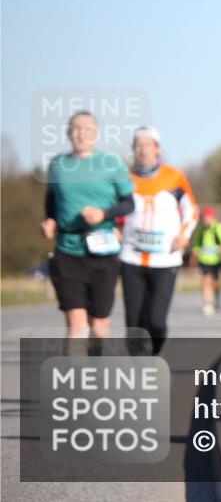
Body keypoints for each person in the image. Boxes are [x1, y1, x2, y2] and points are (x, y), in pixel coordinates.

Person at [40, 111, 135, 354]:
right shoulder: (57, 165)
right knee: (76, 323)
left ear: (97, 134)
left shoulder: (111, 163)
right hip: (67, 250)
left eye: (88, 128)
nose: (81, 133)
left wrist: (104, 213)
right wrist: (50, 221)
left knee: (100, 324)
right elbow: (51, 201)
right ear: (68, 133)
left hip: (103, 251)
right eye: (76, 128)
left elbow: (129, 204)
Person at [119, 126, 199, 355]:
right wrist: (114, 229)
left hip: (165, 259)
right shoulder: (125, 179)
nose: (142, 150)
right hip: (131, 257)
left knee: (156, 321)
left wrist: (183, 235)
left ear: (157, 149)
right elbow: (113, 210)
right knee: (134, 323)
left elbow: (192, 210)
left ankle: (154, 353)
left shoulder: (174, 177)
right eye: (138, 145)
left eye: (147, 145)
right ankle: (140, 367)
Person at [192, 206, 221, 315]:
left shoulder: (219, 227)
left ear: (212, 217)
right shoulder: (200, 229)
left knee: (215, 282)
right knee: (205, 280)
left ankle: (216, 295)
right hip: (204, 259)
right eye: (204, 217)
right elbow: (196, 243)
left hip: (216, 259)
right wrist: (196, 253)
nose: (206, 220)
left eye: (208, 217)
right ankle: (207, 303)